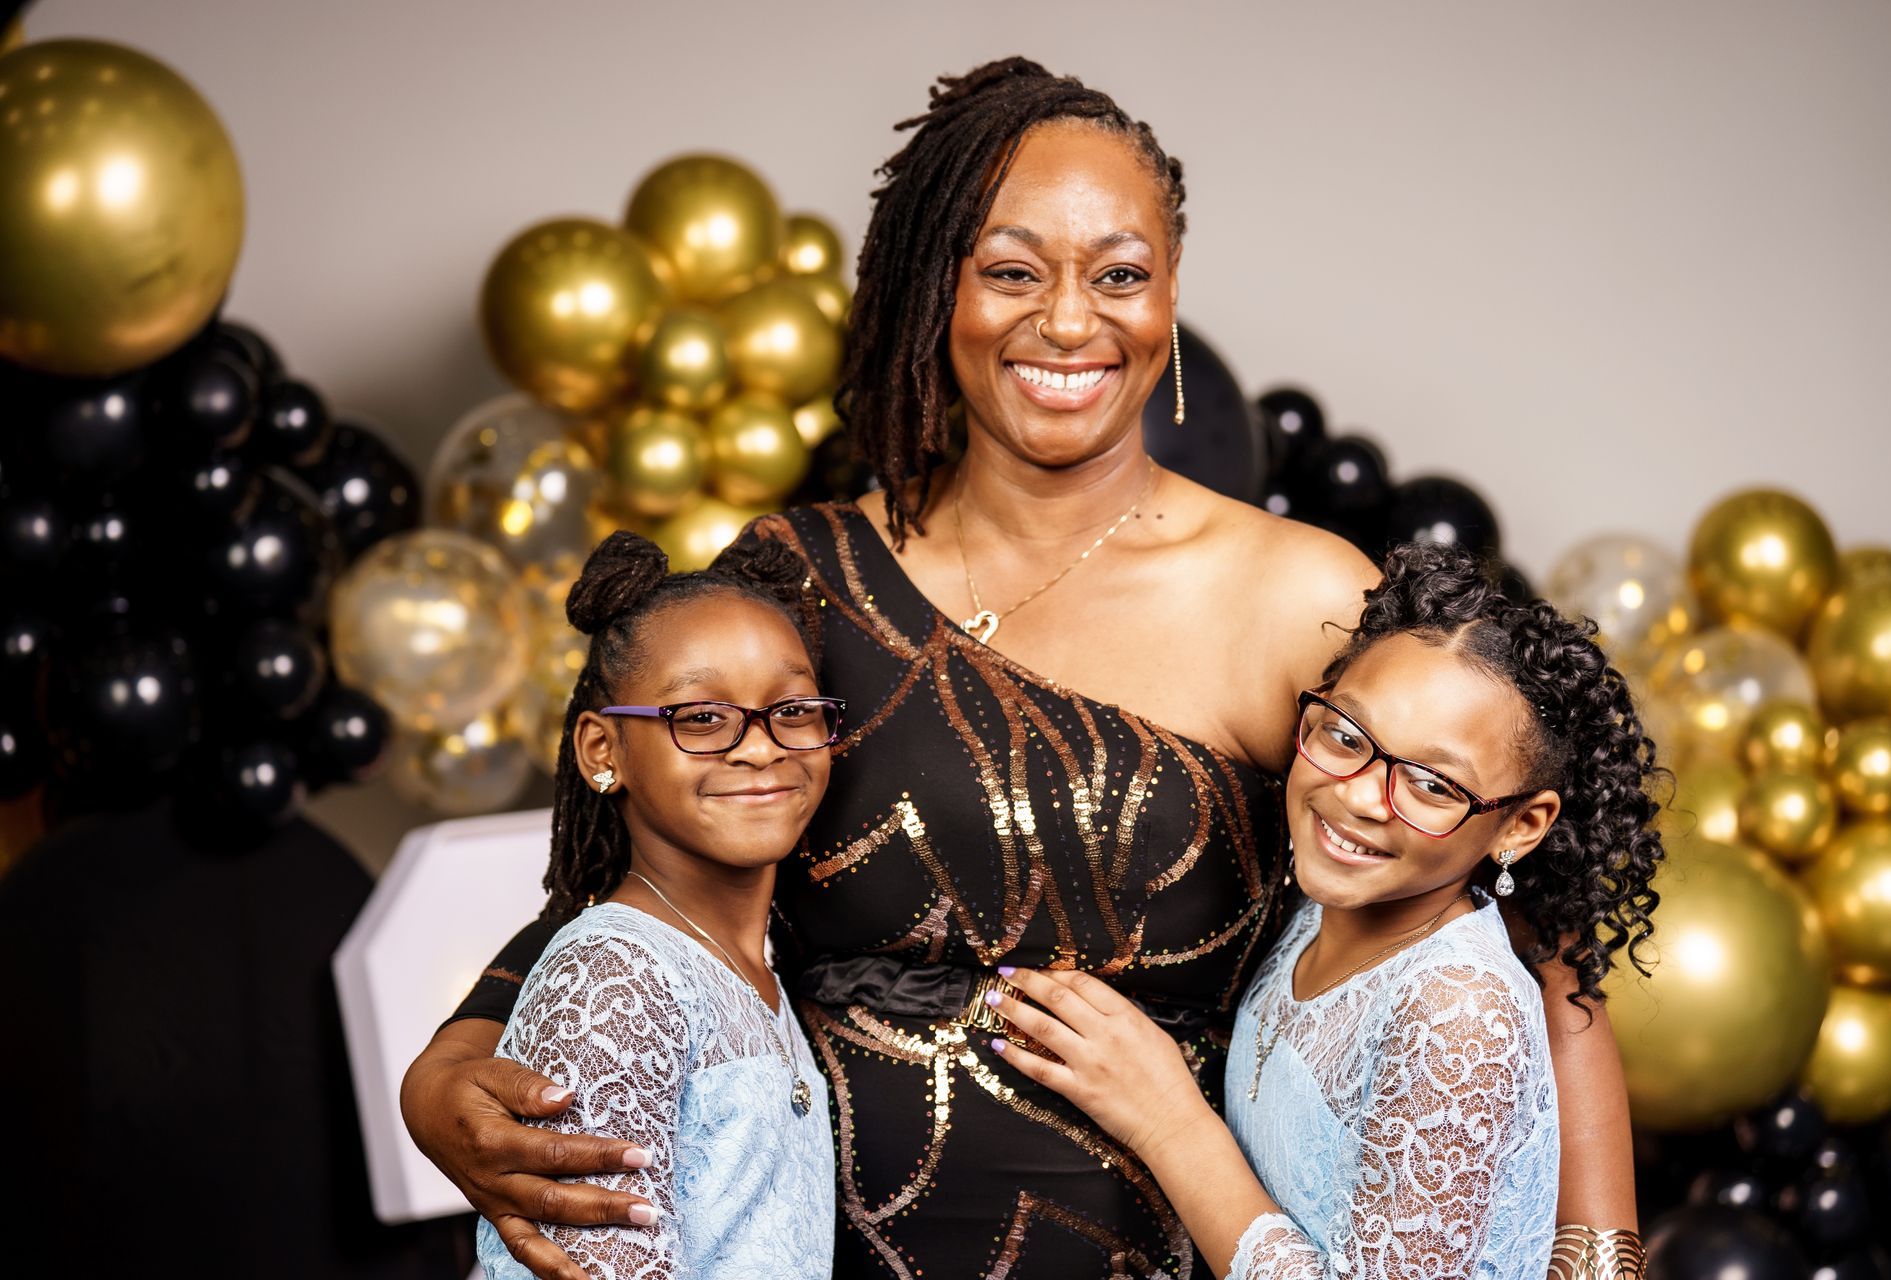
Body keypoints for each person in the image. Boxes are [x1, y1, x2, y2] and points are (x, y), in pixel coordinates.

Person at [400, 58, 1643, 1280]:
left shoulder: (1300, 597)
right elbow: (637, 865)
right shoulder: (803, 575)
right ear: (934, 289)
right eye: (1010, 271)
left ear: (1170, 295)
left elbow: (1534, 931)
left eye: (1120, 275)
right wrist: (443, 1068)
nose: (1067, 320)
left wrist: (1603, 1264)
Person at [987, 541, 1663, 1278]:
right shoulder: (1324, 906)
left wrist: (1169, 1123)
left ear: (1520, 826)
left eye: (1434, 784)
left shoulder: (1459, 1008)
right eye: (1347, 736)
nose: (1359, 797)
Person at [473, 531, 839, 1278]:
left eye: (793, 708)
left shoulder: (755, 968)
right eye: (701, 718)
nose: (762, 747)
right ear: (604, 751)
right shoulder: (613, 982)